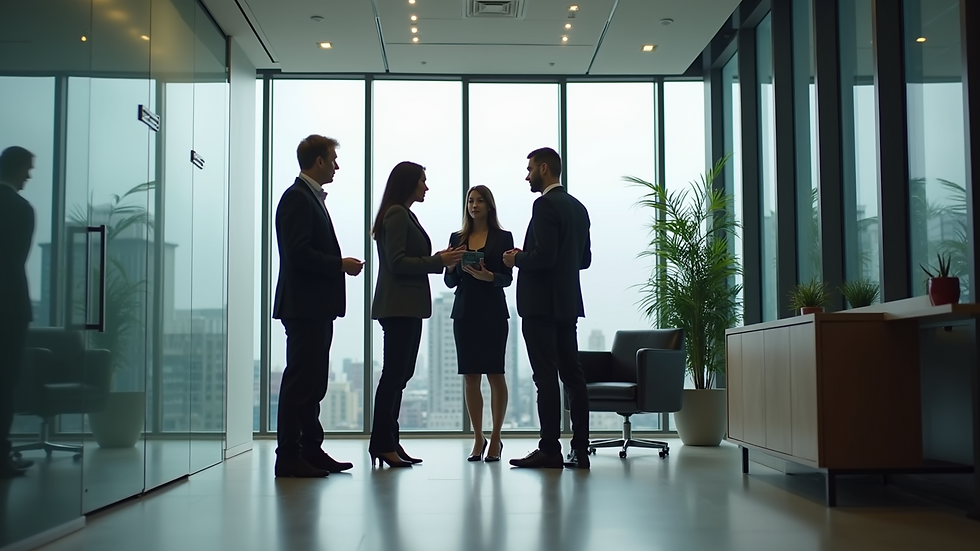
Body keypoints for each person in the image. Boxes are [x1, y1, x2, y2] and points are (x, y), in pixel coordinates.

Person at [272, 134, 364, 478]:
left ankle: (310, 449)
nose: (337, 166)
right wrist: (339, 264)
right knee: (300, 382)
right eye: (333, 159)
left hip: (314, 306)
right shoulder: (297, 198)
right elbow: (298, 253)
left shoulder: (309, 198)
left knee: (313, 382)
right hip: (304, 306)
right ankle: (289, 455)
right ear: (320, 161)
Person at [370, 162, 464, 468]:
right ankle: (383, 444)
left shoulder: (402, 213)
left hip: (404, 306)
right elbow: (397, 262)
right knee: (394, 376)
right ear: (408, 183)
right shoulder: (397, 213)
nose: (426, 187)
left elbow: (405, 258)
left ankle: (389, 442)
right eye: (422, 181)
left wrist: (439, 260)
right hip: (399, 306)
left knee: (400, 376)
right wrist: (438, 260)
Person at [504, 147, 592, 469]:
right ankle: (581, 450)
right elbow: (584, 260)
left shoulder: (543, 205)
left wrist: (517, 259)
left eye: (530, 169)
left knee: (545, 378)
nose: (527, 176)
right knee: (573, 376)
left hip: (540, 306)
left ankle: (550, 449)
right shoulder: (579, 208)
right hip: (568, 304)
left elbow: (542, 257)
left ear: (544, 168)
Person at [444, 185, 514, 463]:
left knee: (495, 375)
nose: (474, 205)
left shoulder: (503, 237)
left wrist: (489, 277)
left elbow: (508, 278)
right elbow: (450, 282)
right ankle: (477, 437)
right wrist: (449, 266)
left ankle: (496, 438)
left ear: (489, 205)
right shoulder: (457, 237)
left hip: (493, 312)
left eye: (480, 200)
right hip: (465, 312)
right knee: (470, 377)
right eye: (471, 201)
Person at [0, 146, 36, 479]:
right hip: (9, 309)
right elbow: (17, 261)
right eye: (27, 168)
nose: (29, 175)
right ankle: (2, 456)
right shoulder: (21, 209)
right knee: (5, 382)